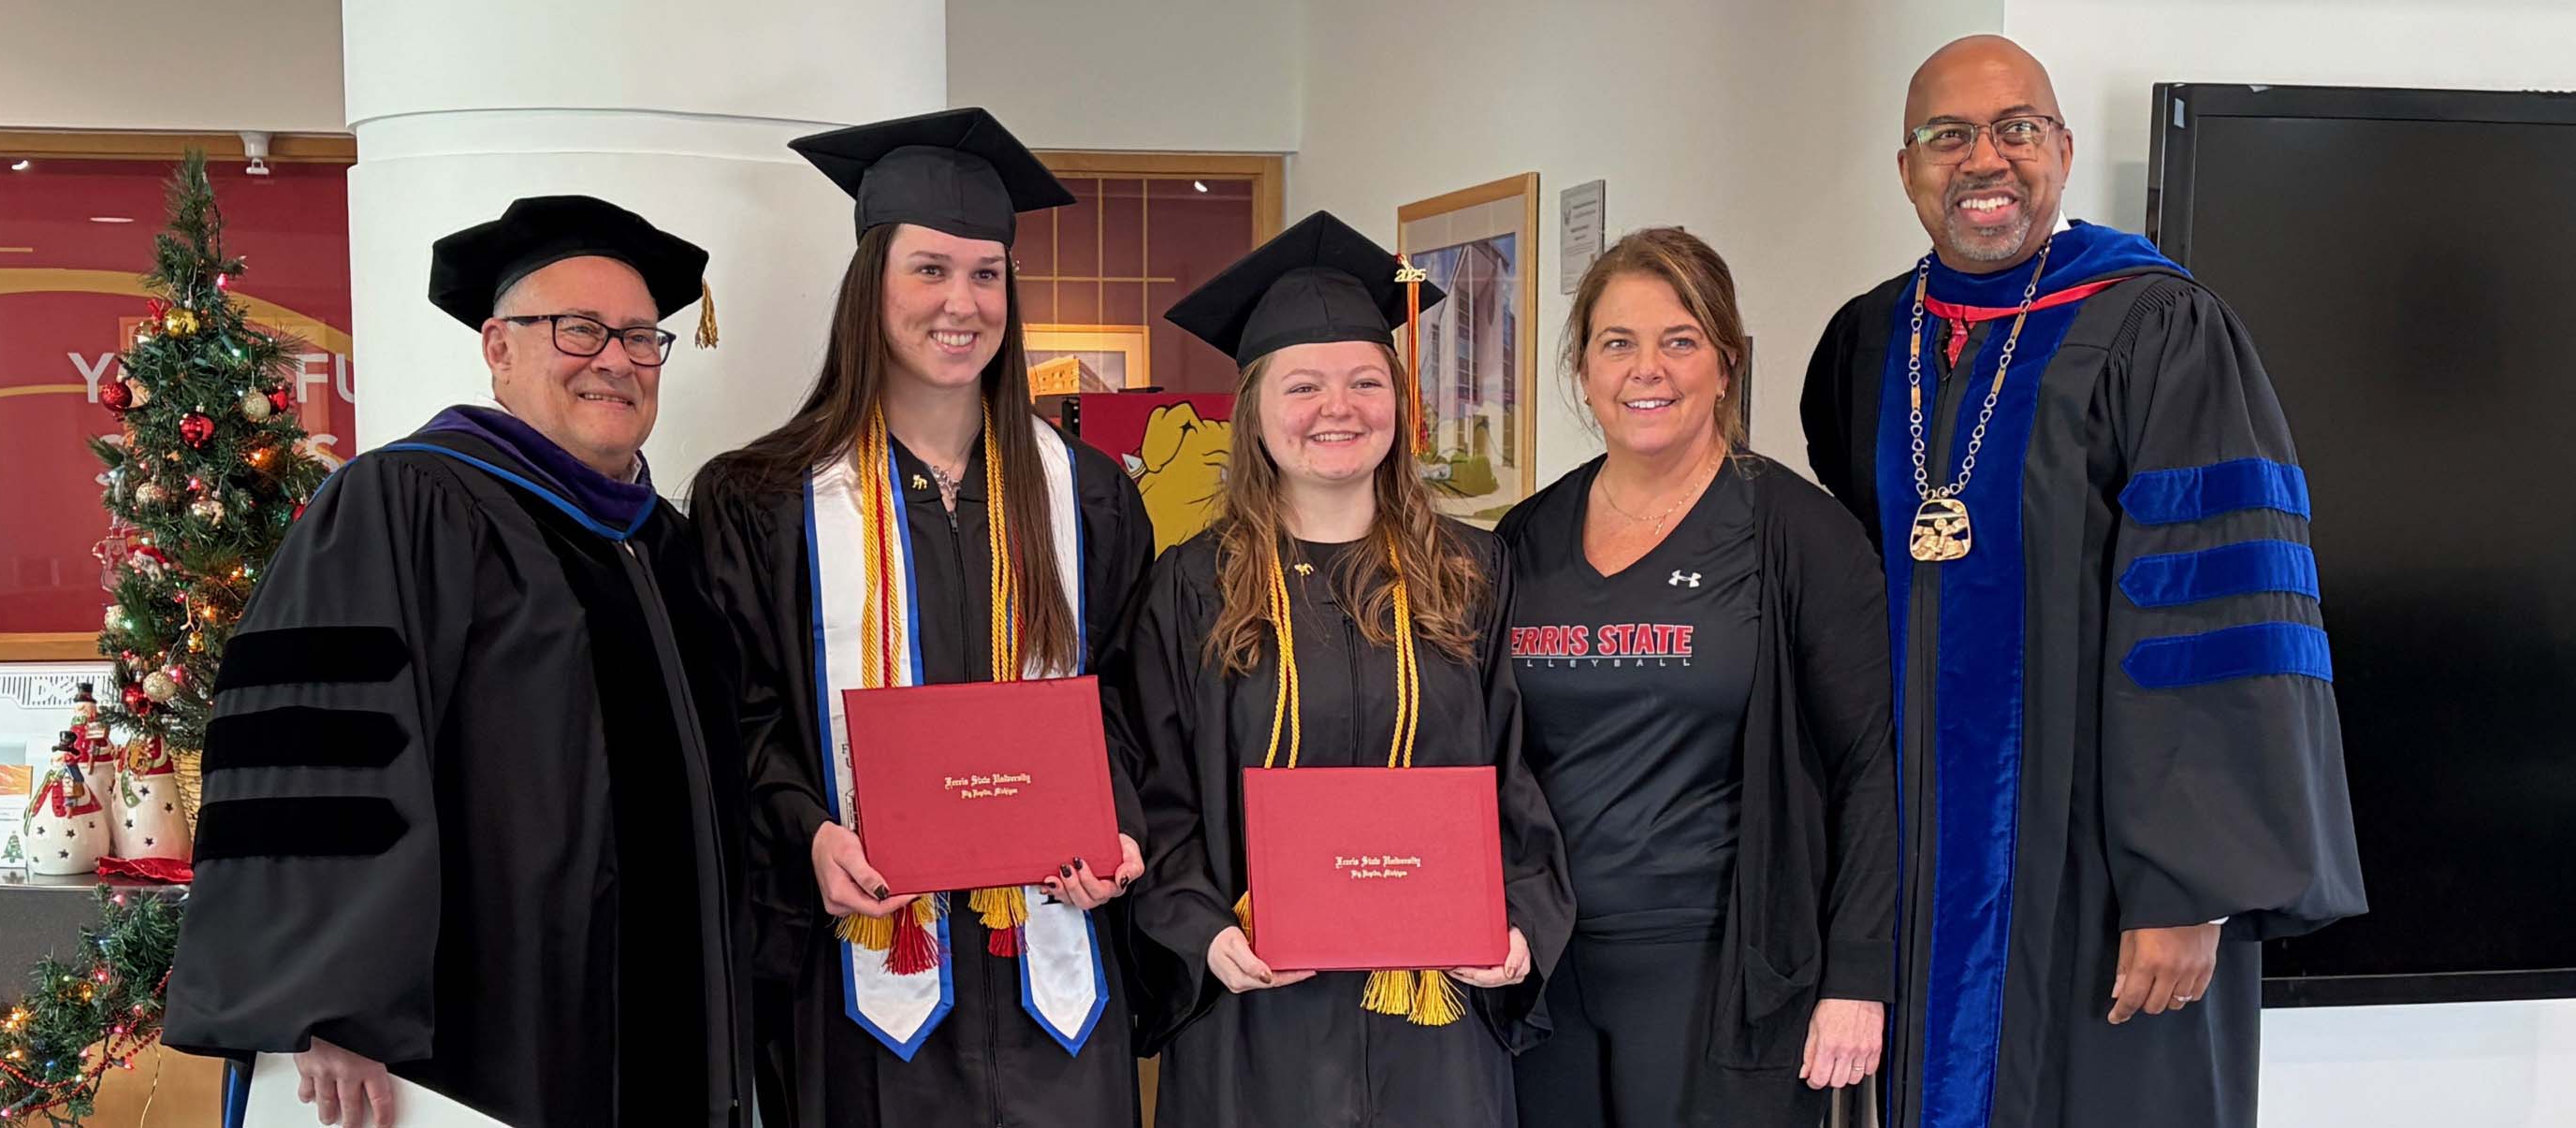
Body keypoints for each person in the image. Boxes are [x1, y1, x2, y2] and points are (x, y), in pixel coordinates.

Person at [1797, 35, 2366, 1128]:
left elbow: (2221, 621)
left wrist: (2187, 890)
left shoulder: (2160, 328)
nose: (1985, 160)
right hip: (1912, 860)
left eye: (2016, 129)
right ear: (1906, 165)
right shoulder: (1866, 343)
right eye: (1947, 135)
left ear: (2059, 147)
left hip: (2099, 874)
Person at [163, 195, 752, 1128]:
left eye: (642, 338)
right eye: (579, 329)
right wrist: (327, 999)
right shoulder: (404, 504)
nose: (616, 359)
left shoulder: (667, 545)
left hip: (672, 1018)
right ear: (499, 347)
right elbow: (320, 754)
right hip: (488, 1029)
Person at [689, 108, 1154, 1128]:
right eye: (930, 270)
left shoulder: (1088, 496)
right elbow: (742, 714)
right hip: (857, 976)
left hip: (1054, 975)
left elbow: (1123, 694)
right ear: (872, 287)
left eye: (986, 274)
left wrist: (1114, 823)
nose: (963, 303)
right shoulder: (762, 498)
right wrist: (805, 833)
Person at [1125, 210, 1576, 1128]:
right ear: (1253, 409)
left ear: (1401, 403)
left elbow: (1519, 776)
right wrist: (1205, 936)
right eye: (1303, 386)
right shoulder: (1190, 587)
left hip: (1435, 1014)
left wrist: (1520, 929)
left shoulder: (1474, 571)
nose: (1338, 408)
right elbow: (1156, 791)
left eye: (1366, 381)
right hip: (1256, 1012)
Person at [1497, 227, 1894, 1126]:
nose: (1650, 370)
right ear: (1583, 367)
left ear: (1726, 364)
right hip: (1547, 969)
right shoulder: (1527, 537)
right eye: (1618, 343)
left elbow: (1874, 765)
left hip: (1729, 974)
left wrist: (1857, 978)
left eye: (1680, 341)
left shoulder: (1799, 536)